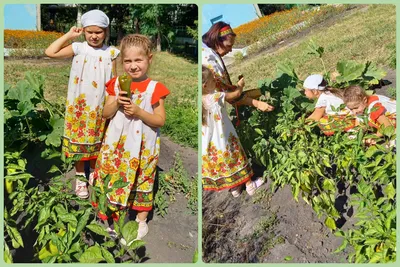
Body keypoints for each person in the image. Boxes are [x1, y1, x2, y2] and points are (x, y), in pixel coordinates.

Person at [91, 34, 170, 242]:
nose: (133, 66)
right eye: (128, 61)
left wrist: (138, 112)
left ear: (149, 59)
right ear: (121, 61)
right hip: (118, 144)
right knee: (114, 176)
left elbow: (160, 120)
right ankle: (115, 217)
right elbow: (106, 113)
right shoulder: (116, 84)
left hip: (144, 145)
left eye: (138, 60)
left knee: (142, 179)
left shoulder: (155, 88)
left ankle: (141, 221)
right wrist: (117, 101)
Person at [45, 10, 120, 199]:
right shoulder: (78, 48)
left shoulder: (111, 53)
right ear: (84, 31)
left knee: (99, 139)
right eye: (90, 32)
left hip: (102, 105)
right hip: (80, 106)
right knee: (80, 143)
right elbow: (50, 52)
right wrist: (70, 35)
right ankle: (80, 178)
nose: (94, 36)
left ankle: (95, 172)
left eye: (99, 32)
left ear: (106, 31)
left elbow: (117, 79)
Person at [202, 66, 264, 197]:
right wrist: (240, 85)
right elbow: (235, 95)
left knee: (226, 163)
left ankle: (235, 188)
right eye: (213, 80)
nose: (216, 81)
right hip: (225, 136)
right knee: (237, 158)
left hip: (211, 143)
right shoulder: (216, 97)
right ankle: (250, 185)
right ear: (205, 85)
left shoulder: (200, 100)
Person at [202, 21, 274, 112]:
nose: (230, 50)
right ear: (217, 41)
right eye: (228, 46)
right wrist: (257, 103)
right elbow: (228, 94)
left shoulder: (207, 51)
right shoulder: (209, 59)